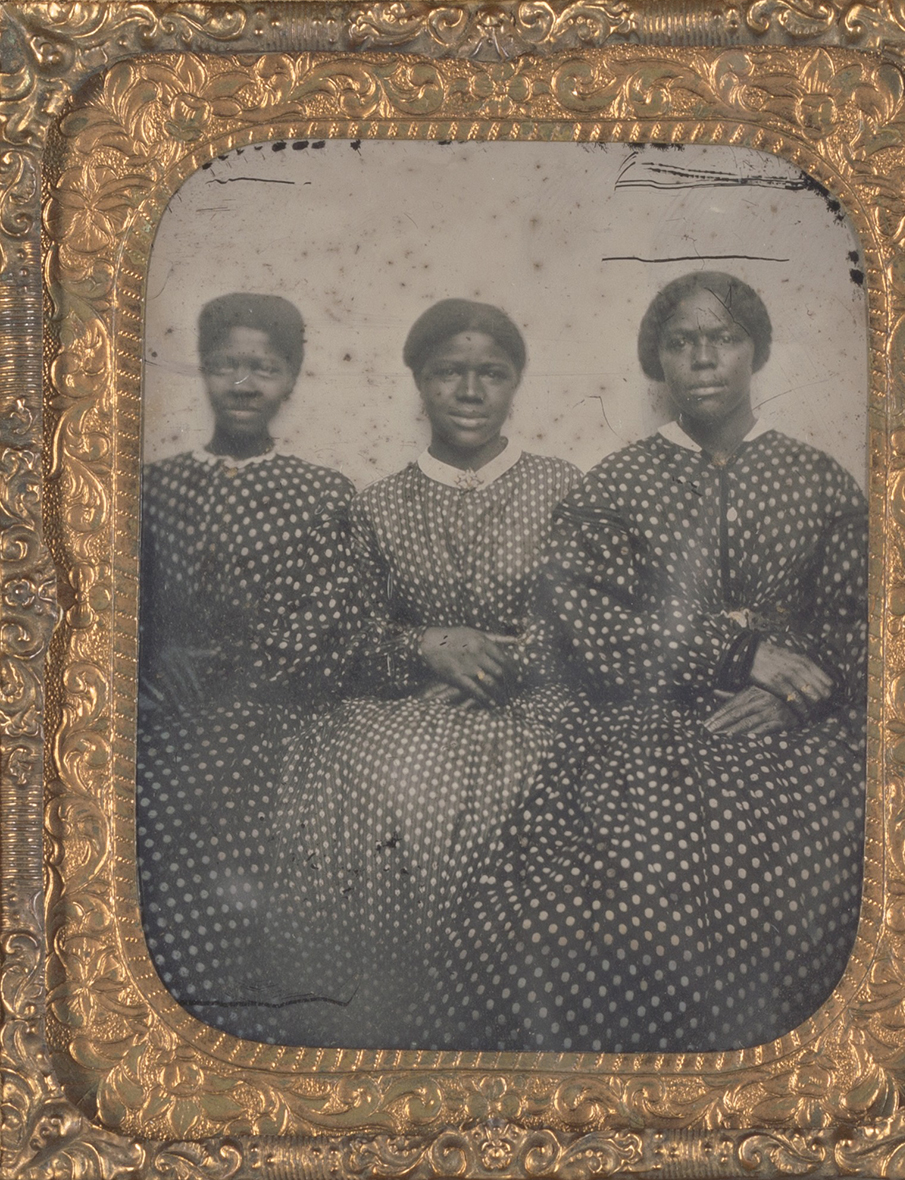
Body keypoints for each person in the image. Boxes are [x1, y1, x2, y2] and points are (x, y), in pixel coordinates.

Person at [423, 271, 868, 1054]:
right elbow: (591, 621)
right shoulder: (619, 484)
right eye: (681, 342)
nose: (703, 359)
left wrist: (797, 695)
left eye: (723, 339)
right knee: (609, 883)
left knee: (823, 872)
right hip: (646, 721)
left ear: (755, 351)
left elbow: (862, 619)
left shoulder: (819, 480)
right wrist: (739, 652)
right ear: (656, 362)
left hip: (796, 733)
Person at [249, 298, 579, 1047]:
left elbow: (585, 622)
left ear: (515, 382)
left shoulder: (563, 489)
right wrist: (425, 644)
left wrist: (498, 660)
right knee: (375, 774)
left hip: (531, 708)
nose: (469, 392)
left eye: (490, 374)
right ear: (419, 383)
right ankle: (383, 1023)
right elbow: (347, 635)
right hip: (408, 705)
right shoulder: (376, 506)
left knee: (491, 798)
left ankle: (473, 1027)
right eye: (447, 374)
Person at [136, 293, 357, 1024]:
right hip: (161, 708)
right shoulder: (153, 488)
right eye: (228, 364)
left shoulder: (320, 493)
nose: (243, 383)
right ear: (203, 370)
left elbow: (323, 622)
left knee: (233, 816)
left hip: (271, 713)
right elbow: (116, 602)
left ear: (290, 378)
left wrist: (229, 678)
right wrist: (155, 657)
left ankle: (228, 1018)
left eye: (263, 367)